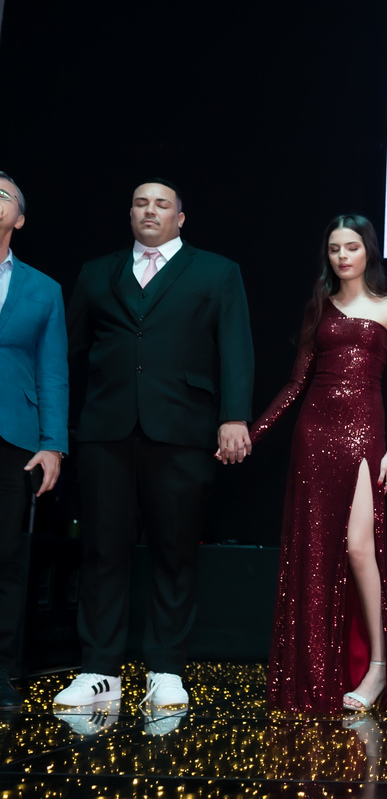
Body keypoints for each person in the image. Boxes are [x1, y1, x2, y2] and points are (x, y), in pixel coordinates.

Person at [56, 180, 255, 708]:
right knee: (102, 550)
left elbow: (235, 348)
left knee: (174, 551)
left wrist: (234, 416)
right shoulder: (97, 272)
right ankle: (99, 670)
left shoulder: (217, 271)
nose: (151, 210)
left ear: (180, 218)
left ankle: (165, 669)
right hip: (106, 430)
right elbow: (69, 351)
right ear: (130, 214)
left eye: (162, 204)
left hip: (183, 430)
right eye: (141, 203)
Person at [250, 214, 387, 713]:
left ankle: (377, 667)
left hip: (364, 432)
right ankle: (318, 669)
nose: (342, 256)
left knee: (359, 548)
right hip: (314, 433)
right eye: (335, 248)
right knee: (315, 552)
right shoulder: (318, 308)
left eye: (352, 247)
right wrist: (253, 433)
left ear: (368, 252)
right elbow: (296, 383)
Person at [0, 171, 68, 711]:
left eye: (2, 195)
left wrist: (52, 443)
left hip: (13, 437)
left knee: (5, 557)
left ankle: (1, 669)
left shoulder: (43, 289)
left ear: (19, 219)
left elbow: (52, 371)